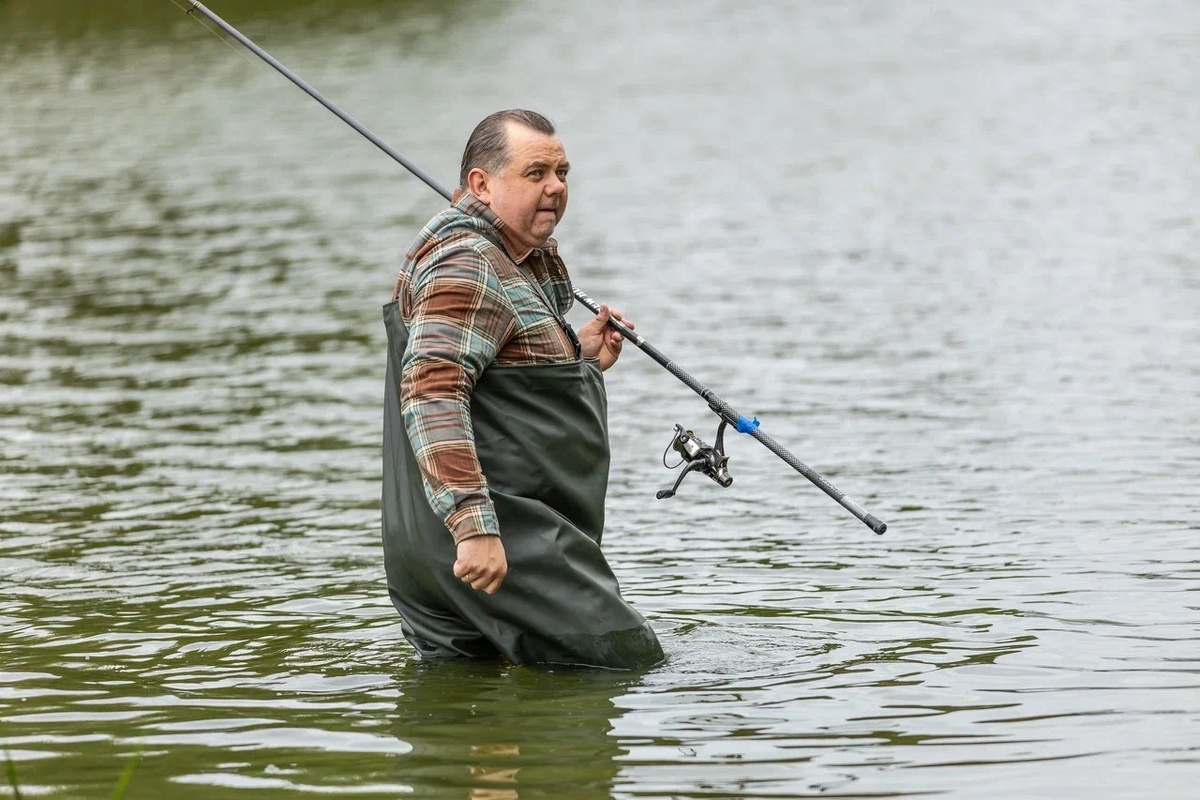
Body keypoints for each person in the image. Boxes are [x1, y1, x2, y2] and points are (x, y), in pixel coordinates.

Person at [381, 109, 664, 670]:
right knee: (628, 666)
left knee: (468, 721)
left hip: (451, 550)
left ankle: (495, 762)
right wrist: (474, 526)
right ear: (482, 185)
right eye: (536, 173)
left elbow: (493, 373)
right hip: (499, 542)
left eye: (562, 173)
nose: (557, 187)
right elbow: (432, 393)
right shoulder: (469, 264)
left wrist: (576, 358)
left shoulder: (506, 259)